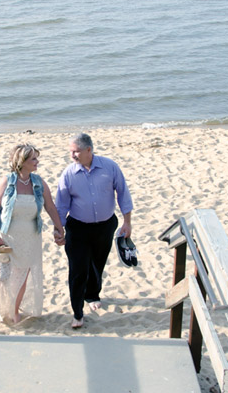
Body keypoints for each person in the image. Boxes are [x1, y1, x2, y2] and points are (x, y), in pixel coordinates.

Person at [56, 133, 133, 329]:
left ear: (89, 150)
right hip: (78, 228)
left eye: (76, 151)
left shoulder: (110, 167)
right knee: (78, 270)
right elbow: (61, 205)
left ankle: (92, 294)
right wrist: (59, 230)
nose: (72, 155)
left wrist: (127, 222)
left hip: (105, 226)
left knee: (97, 263)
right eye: (70, 151)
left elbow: (123, 193)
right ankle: (77, 312)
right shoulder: (68, 174)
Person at [0, 144, 65, 324]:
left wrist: (59, 227)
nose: (37, 162)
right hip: (8, 236)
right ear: (22, 162)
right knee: (4, 276)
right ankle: (3, 306)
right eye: (33, 159)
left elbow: (50, 207)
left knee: (22, 275)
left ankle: (14, 311)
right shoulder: (7, 182)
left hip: (30, 237)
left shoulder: (39, 183)